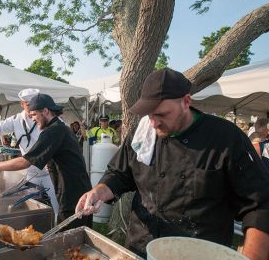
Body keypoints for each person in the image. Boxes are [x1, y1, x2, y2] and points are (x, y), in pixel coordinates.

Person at [75, 68, 269, 260]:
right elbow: (119, 174)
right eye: (149, 114)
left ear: (186, 102)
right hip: (139, 248)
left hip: (198, 252)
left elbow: (259, 205)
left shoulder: (226, 138)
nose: (153, 123)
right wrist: (99, 191)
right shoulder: (142, 135)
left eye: (162, 114)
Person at [0, 93, 92, 230]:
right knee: (73, 232)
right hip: (76, 188)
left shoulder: (53, 131)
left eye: (34, 115)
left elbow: (25, 162)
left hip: (72, 193)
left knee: (72, 236)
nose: (33, 119)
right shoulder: (61, 127)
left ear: (46, 111)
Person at [0, 88, 59, 214]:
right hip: (32, 174)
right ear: (22, 104)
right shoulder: (17, 120)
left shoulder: (49, 121)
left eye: (36, 105)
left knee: (55, 208)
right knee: (34, 207)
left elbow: (27, 160)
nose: (33, 108)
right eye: (29, 105)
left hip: (51, 173)